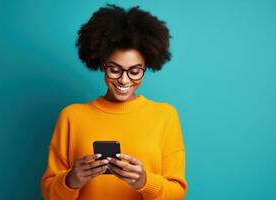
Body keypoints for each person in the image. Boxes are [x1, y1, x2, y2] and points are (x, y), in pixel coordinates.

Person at [41, 4, 187, 200]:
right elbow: (49, 193)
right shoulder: (71, 116)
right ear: (102, 65)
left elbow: (176, 194)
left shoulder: (165, 116)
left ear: (147, 66)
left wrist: (144, 182)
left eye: (134, 71)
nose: (124, 80)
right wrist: (71, 180)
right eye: (115, 70)